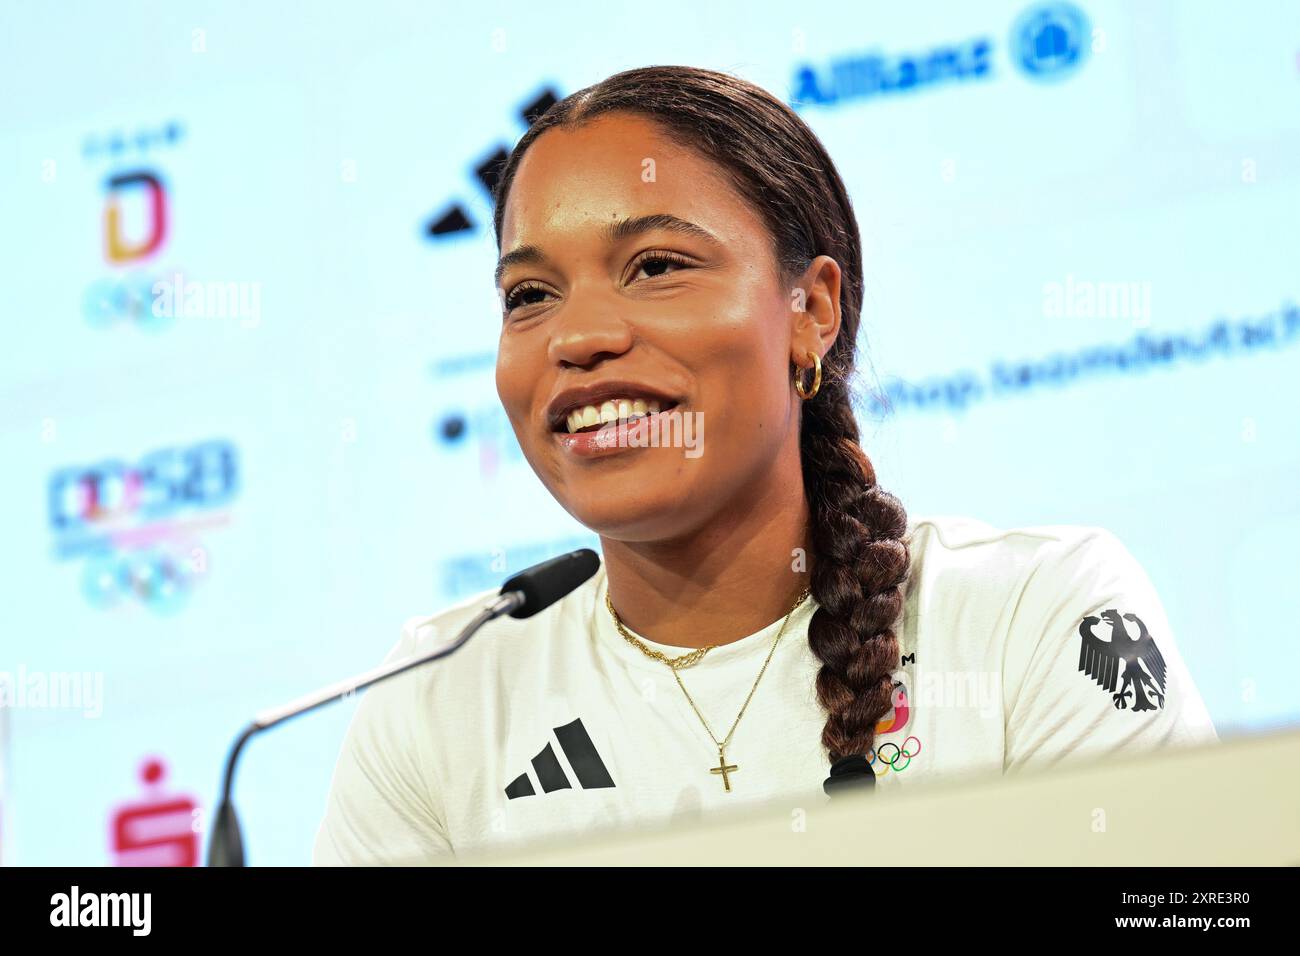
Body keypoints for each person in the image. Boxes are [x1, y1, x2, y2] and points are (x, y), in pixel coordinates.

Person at [313, 65, 1217, 865]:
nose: (580, 336)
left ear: (811, 311)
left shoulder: (1033, 617)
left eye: (656, 266)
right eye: (530, 295)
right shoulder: (439, 701)